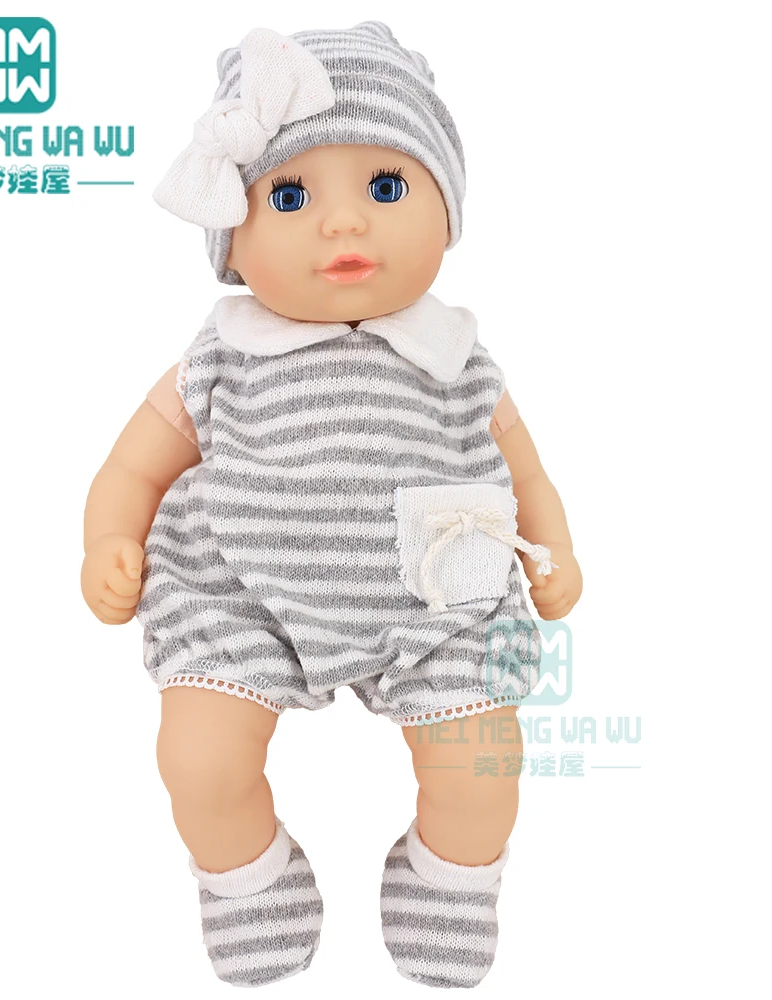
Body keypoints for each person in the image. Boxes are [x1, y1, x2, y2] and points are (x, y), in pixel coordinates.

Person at [81, 21, 582, 988]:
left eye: (386, 188)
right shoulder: (223, 355)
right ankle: (245, 875)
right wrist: (109, 537)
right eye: (291, 196)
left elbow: (525, 475)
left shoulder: (456, 356)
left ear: (448, 210)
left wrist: (553, 547)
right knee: (199, 762)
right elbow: (133, 467)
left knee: (485, 767)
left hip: (440, 598)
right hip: (241, 591)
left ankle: (451, 876)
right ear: (233, 239)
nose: (343, 224)